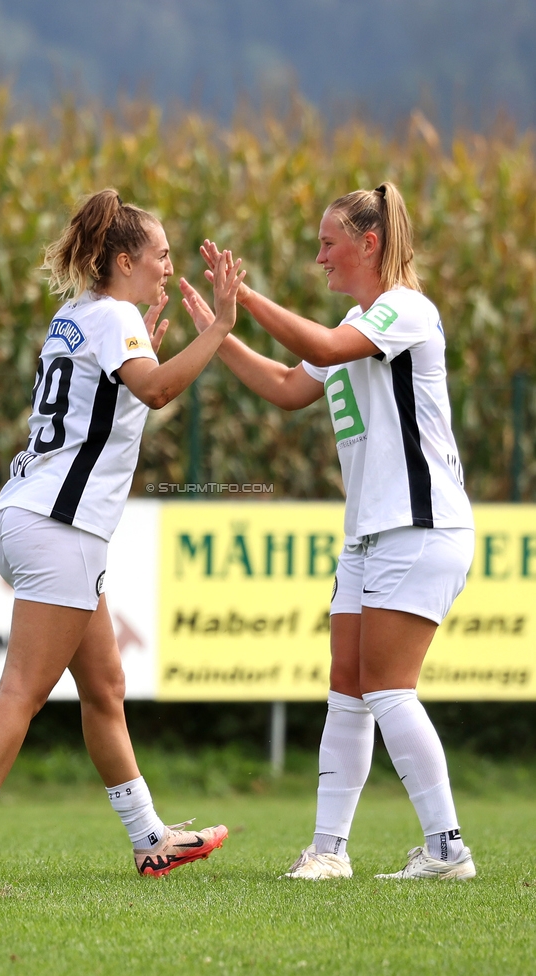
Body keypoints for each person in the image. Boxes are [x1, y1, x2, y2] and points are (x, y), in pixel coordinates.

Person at [0, 188, 245, 883]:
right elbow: (157, 392)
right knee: (22, 692)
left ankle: (150, 838)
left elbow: (114, 408)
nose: (167, 267)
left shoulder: (75, 316)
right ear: (125, 260)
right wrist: (218, 327)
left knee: (104, 687)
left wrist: (145, 362)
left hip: (30, 519)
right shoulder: (115, 318)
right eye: (160, 255)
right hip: (59, 529)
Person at [180, 182, 476, 880]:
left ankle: (446, 848)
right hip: (372, 532)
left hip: (419, 524)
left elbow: (316, 343)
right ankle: (329, 853)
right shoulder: (359, 319)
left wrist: (245, 300)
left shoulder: (403, 311)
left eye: (328, 244)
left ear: (369, 244)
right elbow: (288, 385)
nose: (319, 258)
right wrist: (217, 336)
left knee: (387, 688)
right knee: (348, 687)